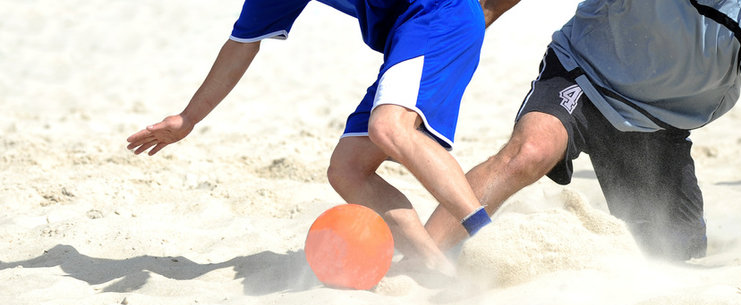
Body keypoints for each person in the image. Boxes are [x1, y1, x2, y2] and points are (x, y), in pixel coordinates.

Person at [425, 0, 741, 273]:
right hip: (583, 75)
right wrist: (481, 14)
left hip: (657, 128)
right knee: (530, 151)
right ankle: (419, 255)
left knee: (676, 255)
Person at [125, 0, 493, 274]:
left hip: (441, 16)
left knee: (388, 127)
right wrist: (188, 118)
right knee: (347, 169)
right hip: (407, 37)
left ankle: (490, 240)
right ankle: (434, 271)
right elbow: (242, 44)